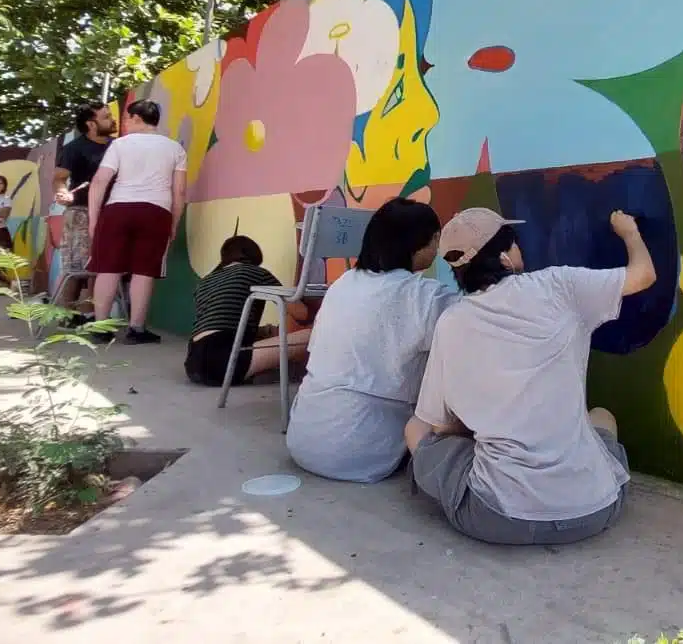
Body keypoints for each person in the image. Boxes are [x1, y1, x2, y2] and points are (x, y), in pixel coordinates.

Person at [405, 207, 656, 546]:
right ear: (506, 257)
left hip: (496, 517)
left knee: (416, 428)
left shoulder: (452, 322)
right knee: (600, 417)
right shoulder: (559, 285)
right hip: (595, 510)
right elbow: (642, 276)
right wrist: (629, 233)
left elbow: (439, 426)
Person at [287, 198, 459, 483]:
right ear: (420, 243)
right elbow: (477, 327)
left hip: (304, 439)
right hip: (362, 452)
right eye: (436, 239)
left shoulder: (342, 284)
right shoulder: (426, 296)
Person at [86, 99, 186, 344]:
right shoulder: (175, 149)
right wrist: (174, 224)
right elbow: (180, 193)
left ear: (138, 119)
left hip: (118, 209)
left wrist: (93, 219)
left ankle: (101, 327)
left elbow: (99, 182)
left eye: (127, 119)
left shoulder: (120, 145)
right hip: (156, 211)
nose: (125, 124)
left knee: (108, 268)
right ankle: (137, 329)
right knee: (144, 271)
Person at [186, 235, 312, 386]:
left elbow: (222, 326)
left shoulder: (206, 281)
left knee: (269, 331)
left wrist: (268, 331)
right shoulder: (256, 273)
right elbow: (301, 313)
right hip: (221, 364)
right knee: (311, 335)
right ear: (254, 255)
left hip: (193, 362)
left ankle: (253, 372)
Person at [53, 103, 115, 307]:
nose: (112, 119)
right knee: (77, 267)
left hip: (111, 212)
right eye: (106, 117)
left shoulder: (118, 146)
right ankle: (67, 315)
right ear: (91, 124)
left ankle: (90, 314)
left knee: (101, 266)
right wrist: (62, 192)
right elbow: (60, 178)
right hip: (81, 211)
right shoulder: (74, 148)